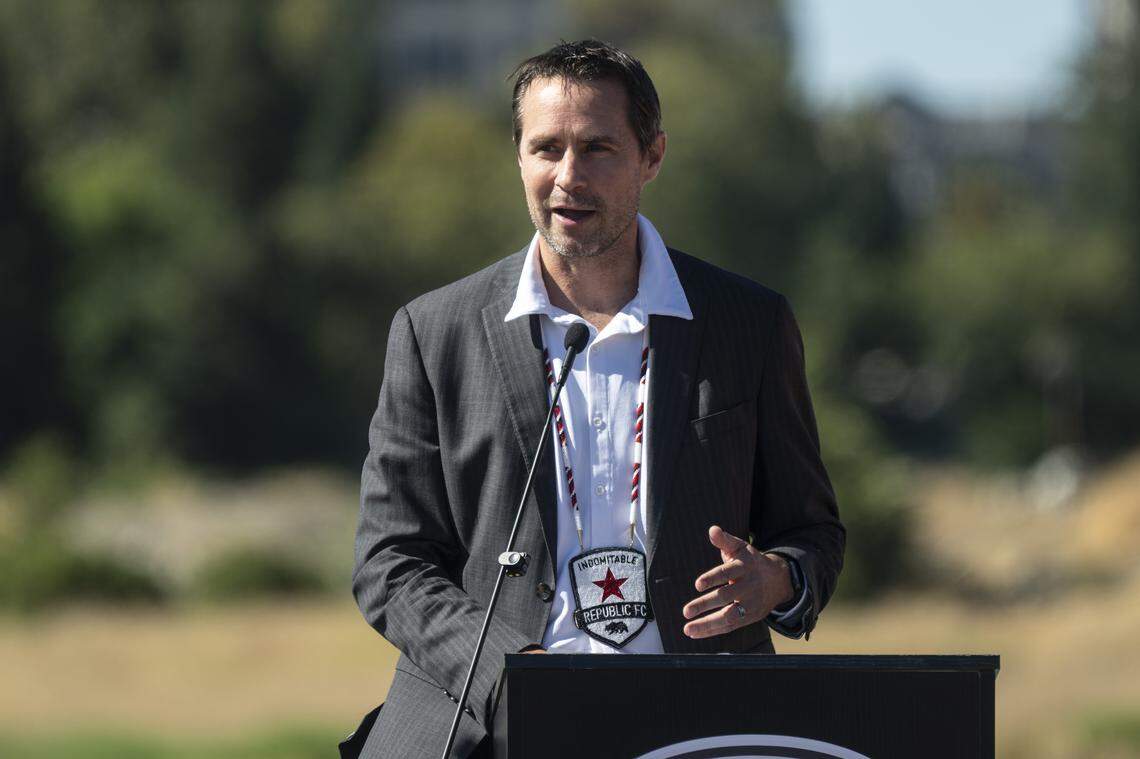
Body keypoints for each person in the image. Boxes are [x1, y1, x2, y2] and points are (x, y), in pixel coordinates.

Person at [343, 39, 845, 759]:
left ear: (653, 157)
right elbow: (389, 561)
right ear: (517, 155)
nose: (567, 178)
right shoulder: (434, 332)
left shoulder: (750, 324)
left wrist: (779, 578)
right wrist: (508, 676)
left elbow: (814, 532)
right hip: (489, 726)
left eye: (599, 148)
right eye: (546, 148)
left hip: (699, 720)